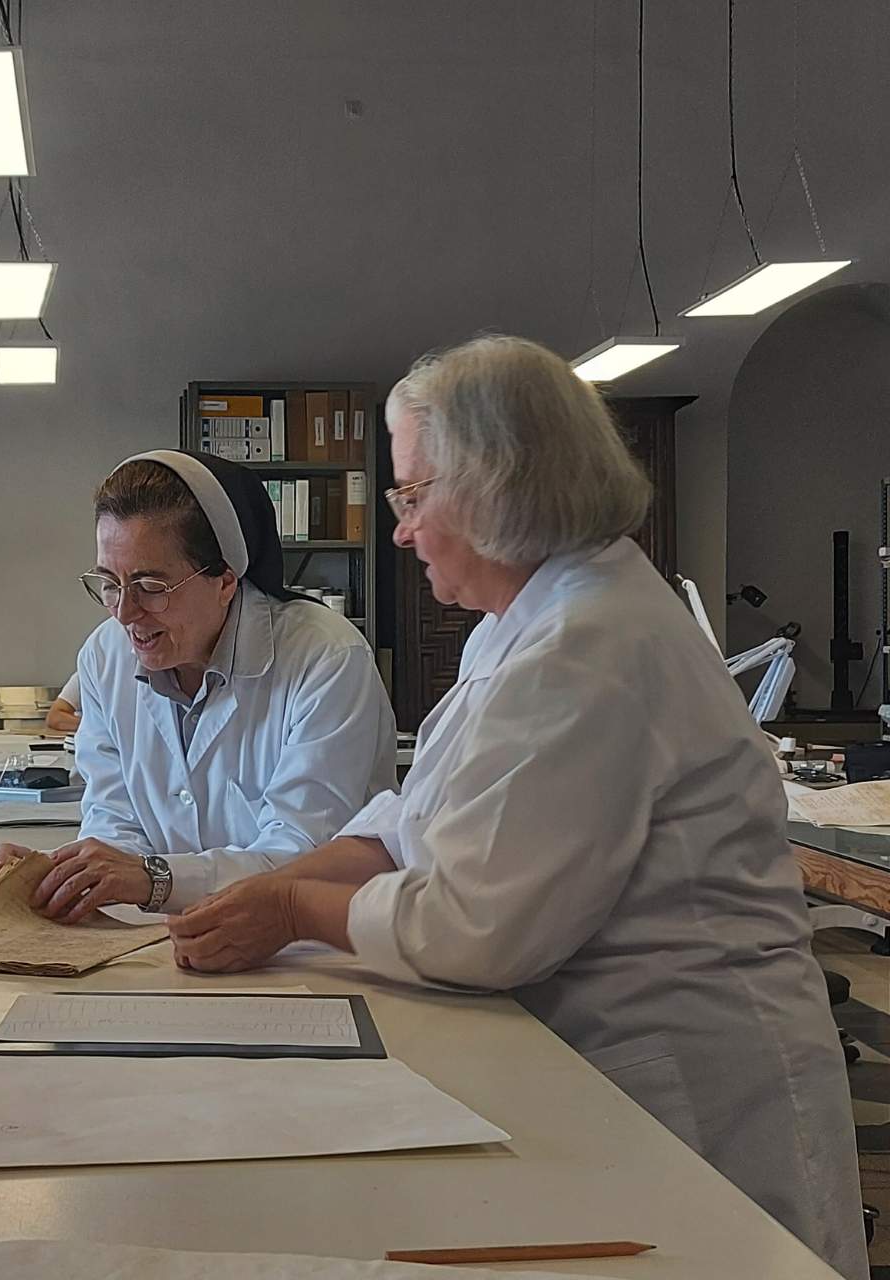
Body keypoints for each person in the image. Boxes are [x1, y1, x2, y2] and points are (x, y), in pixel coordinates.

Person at [165, 336, 865, 1279]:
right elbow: (408, 826)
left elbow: (475, 927)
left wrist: (289, 909)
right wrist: (271, 884)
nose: (401, 529)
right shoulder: (522, 625)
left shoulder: (589, 644)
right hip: (610, 1065)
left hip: (689, 1084)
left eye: (412, 495)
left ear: (494, 486)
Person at [0, 449, 395, 919]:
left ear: (225, 581)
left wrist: (155, 879)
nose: (124, 613)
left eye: (150, 586)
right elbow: (115, 821)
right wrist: (61, 876)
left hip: (307, 952)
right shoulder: (104, 657)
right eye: (110, 583)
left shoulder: (325, 658)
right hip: (165, 944)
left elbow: (304, 855)